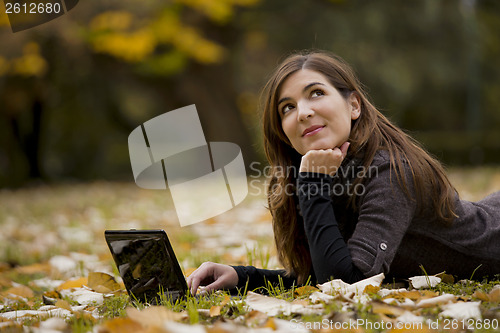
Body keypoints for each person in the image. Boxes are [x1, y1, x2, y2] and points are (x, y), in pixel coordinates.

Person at [187, 50, 500, 295]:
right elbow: (325, 271)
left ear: (354, 106)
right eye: (287, 107)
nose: (303, 112)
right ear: (282, 132)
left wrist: (312, 185)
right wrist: (241, 277)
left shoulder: (390, 173)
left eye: (316, 93)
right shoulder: (325, 173)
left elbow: (346, 285)